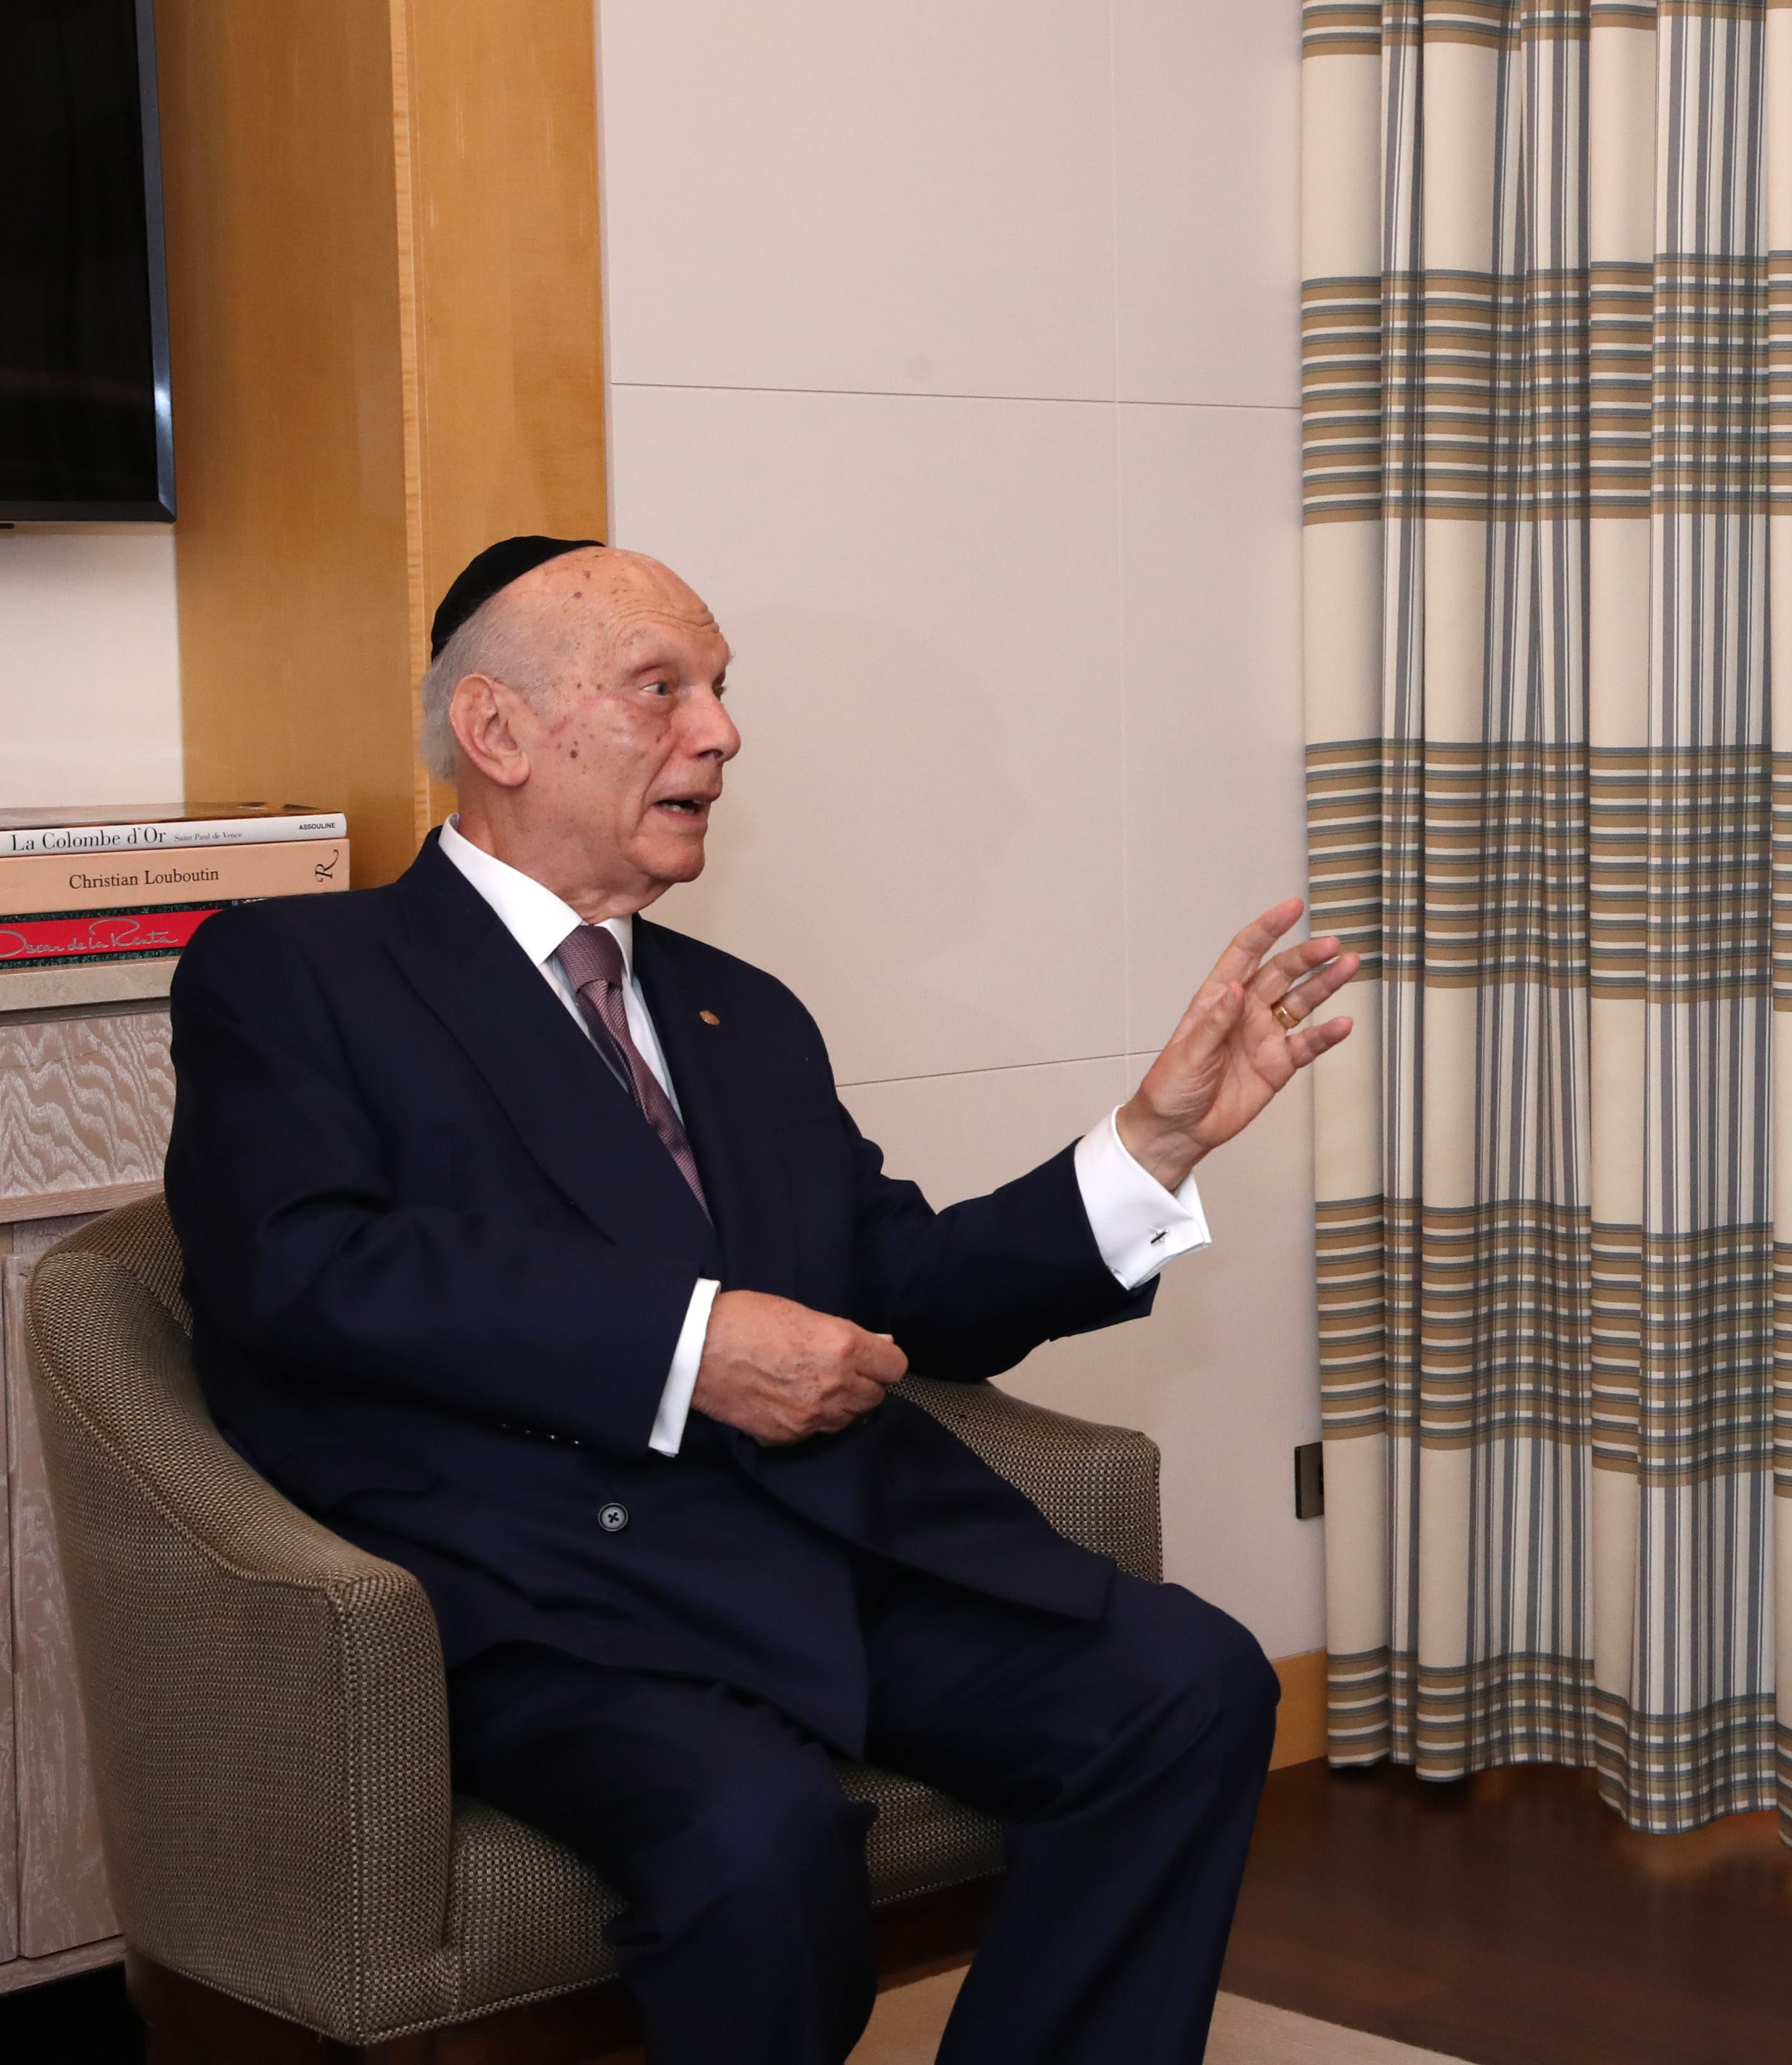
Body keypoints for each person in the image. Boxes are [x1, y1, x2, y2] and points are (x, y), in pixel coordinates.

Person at [164, 536, 1359, 2065]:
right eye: (662, 689)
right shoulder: (298, 970)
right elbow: (301, 1266)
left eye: (720, 691)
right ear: (497, 729)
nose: (720, 733)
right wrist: (688, 1345)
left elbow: (908, 1289)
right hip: (552, 1592)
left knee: (1186, 1682)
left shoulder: (743, 1014)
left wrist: (1151, 1145)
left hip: (825, 1542)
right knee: (757, 1839)